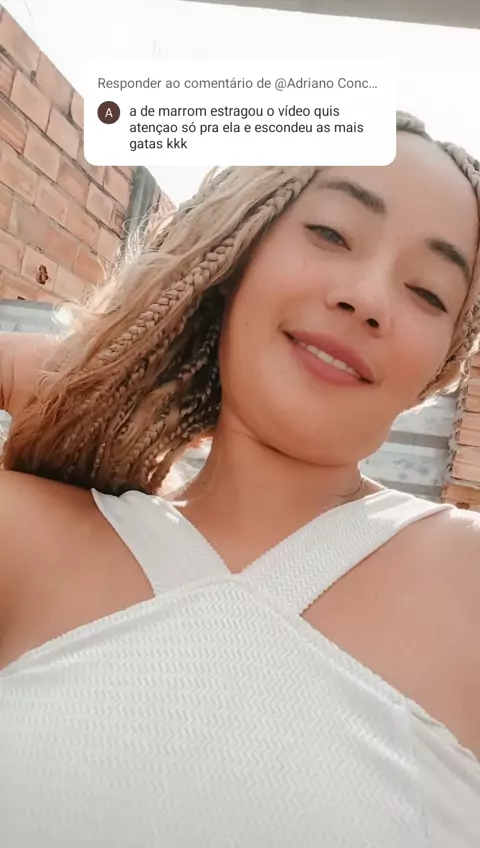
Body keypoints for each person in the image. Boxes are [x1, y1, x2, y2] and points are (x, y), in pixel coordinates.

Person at [0, 112, 479, 847]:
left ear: (440, 365)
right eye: (331, 233)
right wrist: (42, 371)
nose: (368, 297)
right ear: (236, 254)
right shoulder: (28, 534)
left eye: (427, 291)